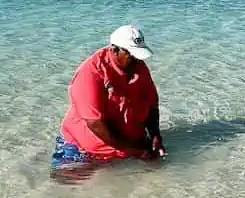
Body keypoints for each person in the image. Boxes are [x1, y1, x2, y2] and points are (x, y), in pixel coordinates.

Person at [51, 24, 168, 173]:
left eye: (138, 55)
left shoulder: (138, 66)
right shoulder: (91, 72)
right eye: (131, 55)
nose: (137, 60)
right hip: (84, 147)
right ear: (114, 50)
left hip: (129, 143)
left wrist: (155, 136)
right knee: (64, 183)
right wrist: (130, 151)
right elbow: (94, 123)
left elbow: (152, 105)